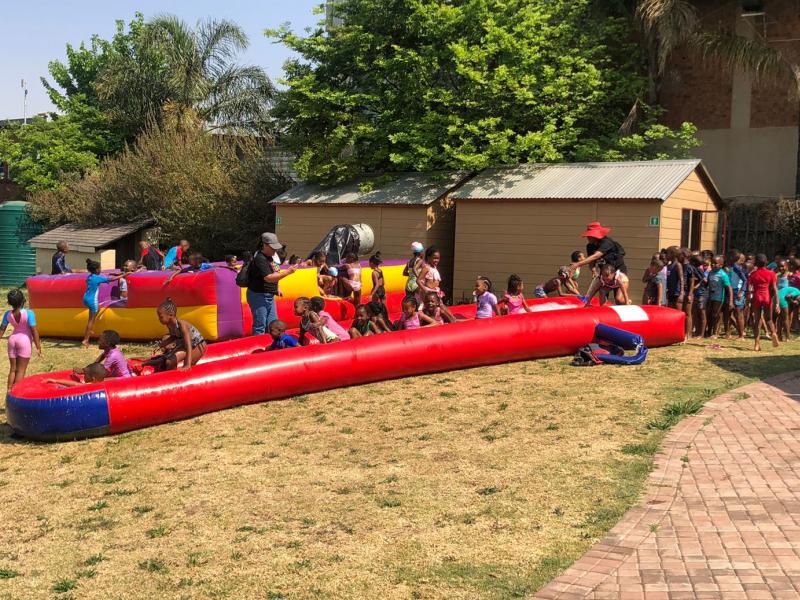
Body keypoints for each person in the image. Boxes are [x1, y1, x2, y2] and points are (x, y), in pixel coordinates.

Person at [247, 232, 298, 335]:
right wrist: (288, 272)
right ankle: (259, 344)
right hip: (258, 295)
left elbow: (275, 272)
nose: (274, 250)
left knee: (273, 325)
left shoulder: (270, 257)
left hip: (269, 295)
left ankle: (271, 344)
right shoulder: (260, 258)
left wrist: (276, 287)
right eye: (272, 248)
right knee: (260, 325)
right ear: (264, 245)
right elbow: (268, 278)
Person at [143, 298, 207, 371]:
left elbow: (188, 345)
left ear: (170, 315)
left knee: (189, 364)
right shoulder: (169, 325)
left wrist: (187, 364)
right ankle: (171, 375)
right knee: (169, 362)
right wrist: (161, 345)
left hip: (198, 345)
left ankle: (186, 373)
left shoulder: (182, 325)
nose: (159, 319)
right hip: (185, 345)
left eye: (161, 317)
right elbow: (173, 337)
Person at [0, 289, 42, 391]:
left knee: (13, 370)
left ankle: (9, 393)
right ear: (23, 300)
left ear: (10, 303)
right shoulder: (29, 313)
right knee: (21, 371)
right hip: (24, 341)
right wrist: (38, 346)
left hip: (12, 340)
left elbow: (2, 329)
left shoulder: (7, 314)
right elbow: (34, 331)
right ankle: (16, 394)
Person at [82, 260, 126, 348]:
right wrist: (124, 275)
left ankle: (89, 329)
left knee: (97, 309)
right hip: (92, 300)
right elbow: (112, 279)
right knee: (91, 320)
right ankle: (86, 340)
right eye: (100, 268)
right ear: (96, 270)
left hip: (86, 298)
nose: (101, 270)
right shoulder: (97, 278)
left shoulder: (90, 277)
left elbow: (105, 276)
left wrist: (116, 274)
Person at [748, 254, 780, 351]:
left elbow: (749, 289)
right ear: (766, 262)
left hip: (757, 297)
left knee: (757, 321)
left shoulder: (753, 274)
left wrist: (748, 301)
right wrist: (777, 303)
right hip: (767, 297)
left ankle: (756, 344)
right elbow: (775, 289)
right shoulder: (771, 273)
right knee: (769, 319)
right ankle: (773, 333)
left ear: (756, 263)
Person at [706, 255, 733, 339]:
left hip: (719, 298)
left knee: (715, 315)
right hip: (710, 296)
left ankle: (715, 333)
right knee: (709, 314)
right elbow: (708, 284)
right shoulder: (710, 272)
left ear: (721, 265)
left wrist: (731, 301)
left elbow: (729, 288)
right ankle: (709, 331)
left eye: (715, 263)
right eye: (712, 263)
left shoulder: (723, 275)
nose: (713, 265)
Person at [726, 249, 747, 340]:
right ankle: (728, 333)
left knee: (738, 314)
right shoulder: (728, 267)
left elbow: (745, 280)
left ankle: (741, 335)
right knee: (729, 313)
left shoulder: (736, 267)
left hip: (737, 292)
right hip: (729, 291)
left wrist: (742, 291)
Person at [690, 255, 708, 338]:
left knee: (702, 312)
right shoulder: (694, 269)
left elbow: (704, 280)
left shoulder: (697, 269)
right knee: (695, 313)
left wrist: (696, 285)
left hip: (702, 293)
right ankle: (697, 332)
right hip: (696, 293)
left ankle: (702, 334)